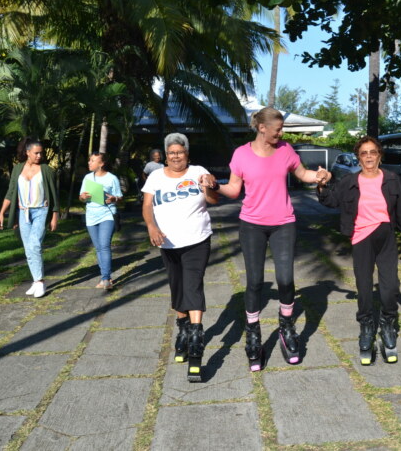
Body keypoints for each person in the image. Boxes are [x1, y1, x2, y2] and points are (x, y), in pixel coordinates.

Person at [217, 107, 331, 371]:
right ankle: (254, 334)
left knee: (285, 278)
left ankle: (286, 327)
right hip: (252, 225)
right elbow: (234, 190)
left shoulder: (286, 151)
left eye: (282, 129)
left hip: (283, 224)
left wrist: (322, 176)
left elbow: (304, 175)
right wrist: (214, 186)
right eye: (278, 129)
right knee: (255, 282)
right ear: (262, 128)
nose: (281, 133)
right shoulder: (241, 154)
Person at [317, 136, 401, 365]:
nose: (369, 156)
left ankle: (388, 326)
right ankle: (367, 328)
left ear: (379, 155)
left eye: (372, 152)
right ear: (358, 158)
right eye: (364, 153)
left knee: (390, 286)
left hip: (386, 237)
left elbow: (400, 207)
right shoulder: (350, 181)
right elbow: (330, 200)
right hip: (362, 239)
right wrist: (321, 184)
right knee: (364, 287)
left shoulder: (391, 179)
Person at [141, 133, 218, 382]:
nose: (176, 156)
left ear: (187, 153)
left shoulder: (198, 171)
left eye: (180, 152)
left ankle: (196, 340)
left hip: (197, 239)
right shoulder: (155, 176)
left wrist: (211, 185)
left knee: (193, 285)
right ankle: (183, 331)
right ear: (166, 154)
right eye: (171, 152)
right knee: (177, 288)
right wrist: (151, 227)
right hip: (168, 243)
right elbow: (147, 205)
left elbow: (212, 200)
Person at [0, 138, 59, 298]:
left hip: (41, 211)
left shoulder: (46, 170)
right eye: (36, 153)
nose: (39, 155)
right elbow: (11, 193)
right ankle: (35, 280)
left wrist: (54, 216)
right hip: (23, 213)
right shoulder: (17, 169)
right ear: (27, 152)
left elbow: (54, 194)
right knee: (28, 249)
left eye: (41, 153)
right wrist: (2, 213)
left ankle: (40, 282)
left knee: (35, 245)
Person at [79, 152, 122, 290]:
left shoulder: (112, 178)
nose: (89, 163)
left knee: (104, 245)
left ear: (101, 164)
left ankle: (106, 278)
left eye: (93, 161)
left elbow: (120, 197)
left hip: (107, 215)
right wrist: (83, 196)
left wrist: (114, 199)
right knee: (98, 247)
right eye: (89, 160)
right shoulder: (87, 178)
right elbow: (81, 197)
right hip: (91, 215)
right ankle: (105, 276)